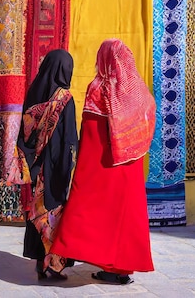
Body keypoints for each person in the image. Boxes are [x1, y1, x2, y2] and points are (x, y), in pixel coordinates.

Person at [50, 39, 156, 285]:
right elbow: (148, 121)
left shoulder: (99, 88)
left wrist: (82, 168)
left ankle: (59, 258)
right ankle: (120, 269)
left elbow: (90, 132)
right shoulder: (138, 90)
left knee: (85, 208)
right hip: (129, 164)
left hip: (101, 164)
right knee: (125, 217)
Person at [12, 49, 78, 280]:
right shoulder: (65, 99)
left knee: (36, 212)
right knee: (54, 212)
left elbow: (24, 131)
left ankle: (40, 262)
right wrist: (69, 165)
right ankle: (55, 264)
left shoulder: (34, 91)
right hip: (55, 168)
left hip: (35, 165)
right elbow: (69, 138)